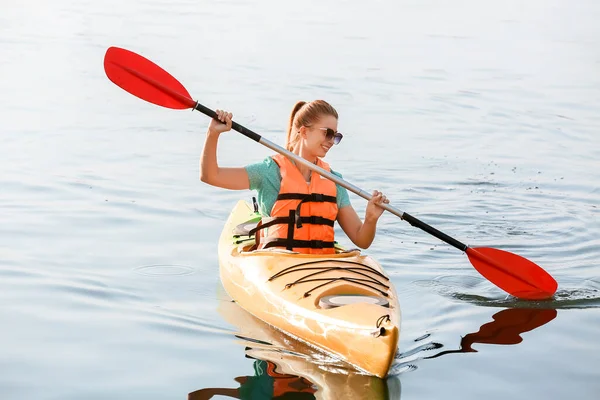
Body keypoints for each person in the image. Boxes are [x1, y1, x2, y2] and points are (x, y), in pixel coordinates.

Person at [200, 100, 389, 253]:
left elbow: (361, 239)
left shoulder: (334, 181)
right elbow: (211, 176)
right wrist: (213, 134)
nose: (331, 141)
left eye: (336, 136)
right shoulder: (269, 172)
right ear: (304, 131)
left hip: (320, 267)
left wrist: (371, 219)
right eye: (327, 134)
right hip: (276, 266)